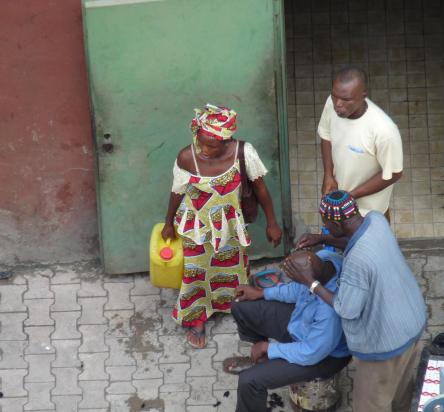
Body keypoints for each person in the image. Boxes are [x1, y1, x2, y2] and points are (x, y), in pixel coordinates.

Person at [285, 191, 426, 412]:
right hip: (413, 321)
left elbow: (346, 308)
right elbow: (352, 237)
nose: (327, 229)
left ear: (337, 223)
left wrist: (310, 282)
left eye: (327, 227)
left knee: (372, 404)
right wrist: (323, 239)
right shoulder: (376, 220)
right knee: (401, 392)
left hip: (386, 343)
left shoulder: (356, 262)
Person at [162, 103, 283, 349]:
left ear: (226, 141)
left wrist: (272, 222)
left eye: (212, 145)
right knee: (195, 271)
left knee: (232, 267)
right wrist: (168, 223)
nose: (204, 149)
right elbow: (177, 192)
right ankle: (197, 317)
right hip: (196, 226)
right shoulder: (187, 156)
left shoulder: (243, 153)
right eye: (201, 141)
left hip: (230, 224)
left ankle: (235, 305)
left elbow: (261, 189)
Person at [228, 250, 350, 412]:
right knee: (240, 306)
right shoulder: (325, 259)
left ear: (309, 280)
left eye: (299, 281)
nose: (294, 283)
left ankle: (263, 358)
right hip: (303, 326)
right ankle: (260, 358)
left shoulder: (329, 312)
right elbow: (294, 290)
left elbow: (311, 352)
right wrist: (262, 293)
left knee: (249, 381)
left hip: (324, 357)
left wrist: (270, 348)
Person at [318, 66, 403, 220]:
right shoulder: (331, 105)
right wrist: (328, 175)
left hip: (370, 213)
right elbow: (325, 135)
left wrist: (351, 195)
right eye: (334, 95)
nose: (338, 103)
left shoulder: (384, 130)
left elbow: (394, 173)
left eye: (346, 99)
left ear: (363, 95)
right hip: (339, 204)